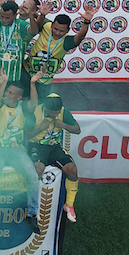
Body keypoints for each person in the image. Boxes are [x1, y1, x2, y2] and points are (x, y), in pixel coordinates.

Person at [0, 73, 41, 235]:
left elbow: (34, 103)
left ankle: (32, 214)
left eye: (11, 93)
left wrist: (33, 84)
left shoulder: (22, 107)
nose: (7, 95)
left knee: (32, 176)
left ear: (19, 97)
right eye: (7, 92)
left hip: (15, 150)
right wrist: (3, 83)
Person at [27, 73, 82, 222]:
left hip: (54, 147)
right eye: (52, 113)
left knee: (72, 169)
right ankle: (33, 206)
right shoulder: (35, 111)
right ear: (45, 107)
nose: (55, 115)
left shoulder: (63, 112)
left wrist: (63, 125)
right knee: (38, 169)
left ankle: (69, 205)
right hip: (36, 145)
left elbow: (77, 129)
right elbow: (25, 135)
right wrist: (39, 129)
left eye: (57, 112)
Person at [25, 3, 97, 99]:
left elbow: (79, 38)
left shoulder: (67, 41)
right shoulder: (47, 26)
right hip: (26, 71)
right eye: (55, 29)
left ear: (68, 30)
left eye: (62, 31)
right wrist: (42, 15)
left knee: (38, 104)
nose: (57, 32)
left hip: (44, 80)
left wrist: (86, 22)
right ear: (52, 25)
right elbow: (38, 24)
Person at [0, 0, 38, 89]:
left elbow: (34, 31)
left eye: (7, 18)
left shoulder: (20, 24)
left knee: (8, 100)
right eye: (2, 16)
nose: (4, 20)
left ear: (15, 15)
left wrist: (31, 15)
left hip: (13, 74)